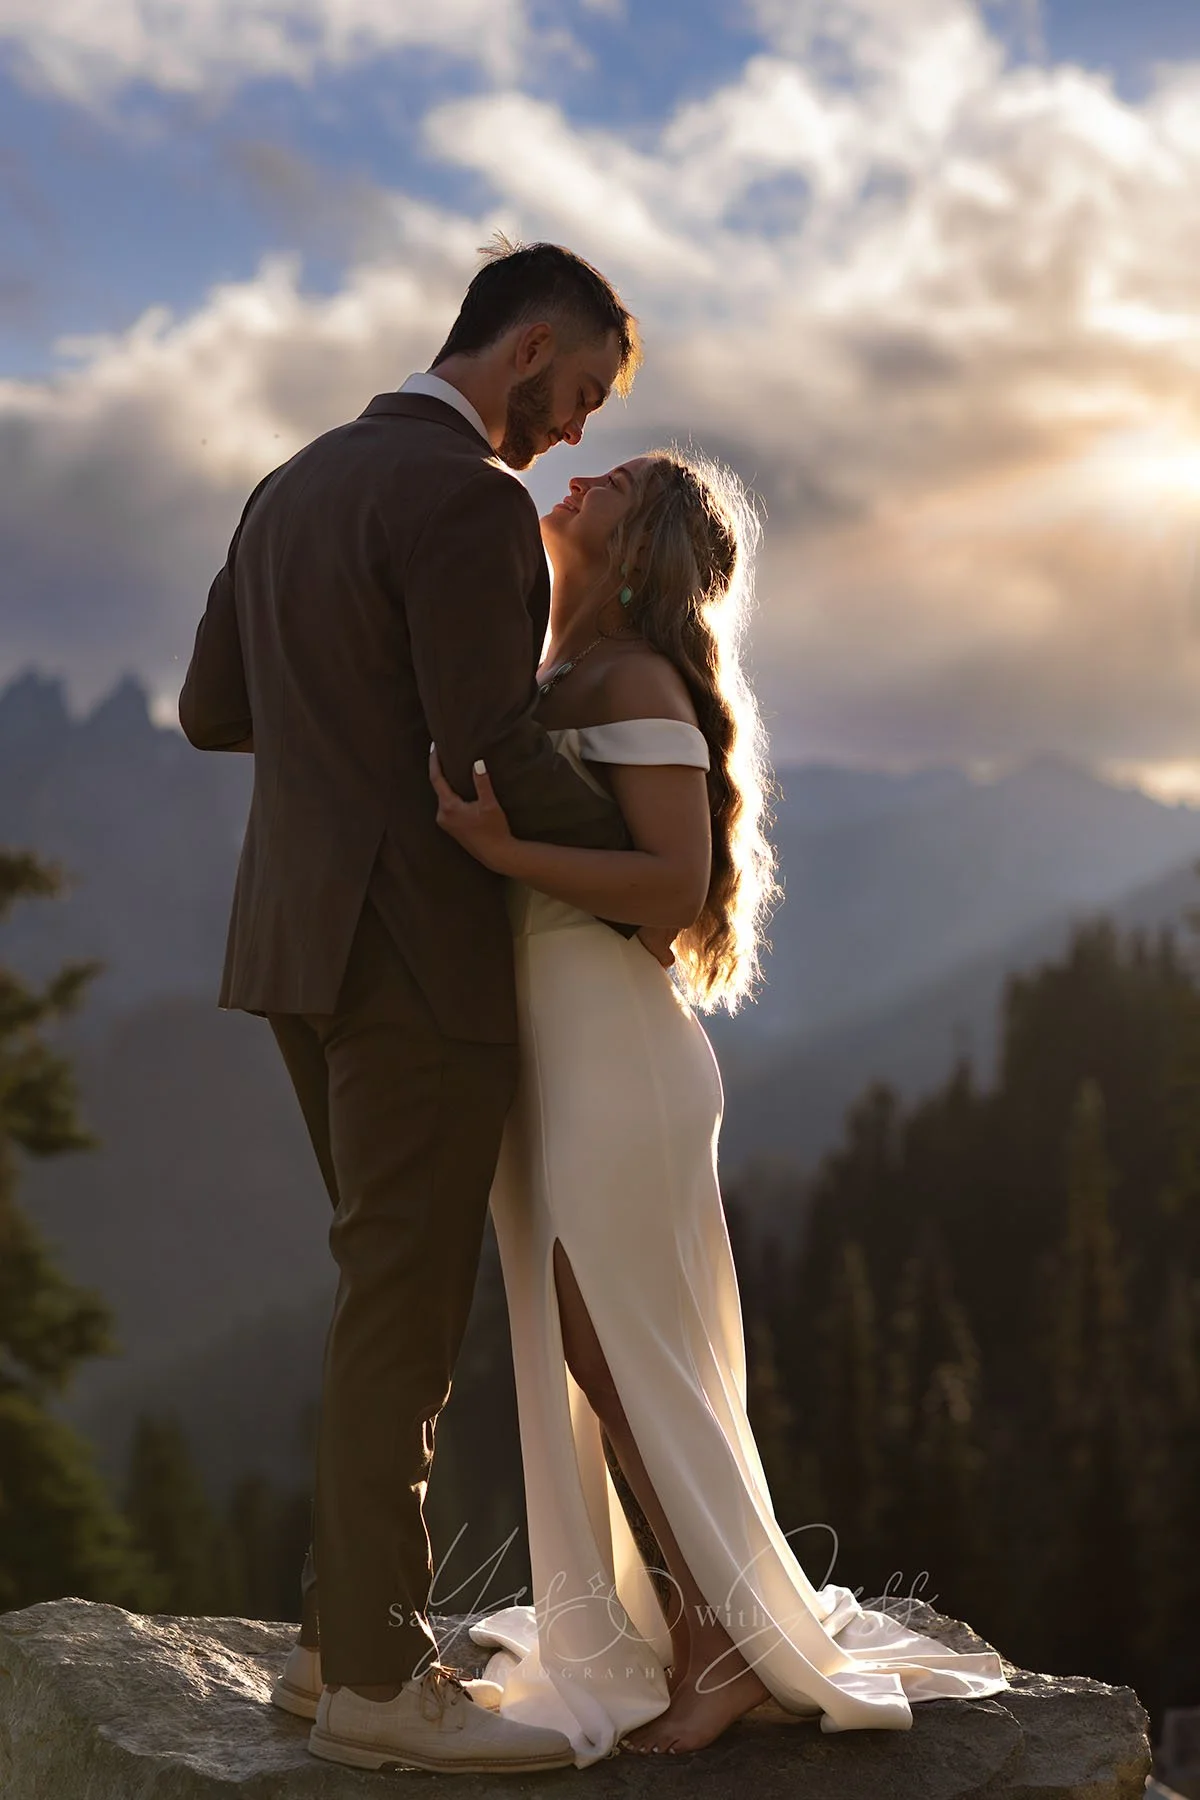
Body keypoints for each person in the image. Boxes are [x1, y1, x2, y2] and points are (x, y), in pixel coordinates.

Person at [427, 447, 1010, 1765]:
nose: (577, 482)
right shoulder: (563, 675)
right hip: (558, 1048)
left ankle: (723, 1643)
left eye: (614, 483)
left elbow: (675, 887)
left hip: (611, 1051)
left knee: (616, 1349)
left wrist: (499, 850)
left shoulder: (629, 677)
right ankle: (703, 1630)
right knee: (601, 1351)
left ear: (641, 553)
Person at [178, 237, 666, 1776]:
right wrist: (654, 875)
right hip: (413, 964)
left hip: (291, 951)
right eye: (580, 392)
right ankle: (384, 1686)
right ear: (525, 351)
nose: (576, 430)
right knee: (401, 1313)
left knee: (375, 1291)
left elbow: (211, 712)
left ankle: (338, 1649)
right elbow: (491, 739)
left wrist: (343, 739)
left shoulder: (291, 485)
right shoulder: (468, 501)